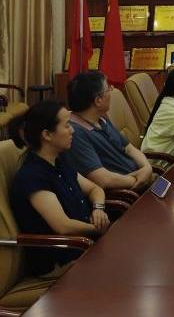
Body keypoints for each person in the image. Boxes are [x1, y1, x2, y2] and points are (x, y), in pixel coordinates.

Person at [8, 101, 110, 276]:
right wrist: (100, 228)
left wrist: (98, 209)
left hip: (84, 246)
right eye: (67, 125)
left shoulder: (59, 161)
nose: (73, 130)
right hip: (62, 260)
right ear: (47, 135)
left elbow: (95, 189)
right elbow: (63, 226)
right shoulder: (32, 176)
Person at [66, 71, 153, 192]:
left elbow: (129, 148)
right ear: (98, 100)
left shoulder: (101, 119)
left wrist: (147, 168)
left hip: (142, 181)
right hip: (128, 193)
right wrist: (138, 180)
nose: (112, 90)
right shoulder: (75, 133)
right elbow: (102, 179)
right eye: (108, 88)